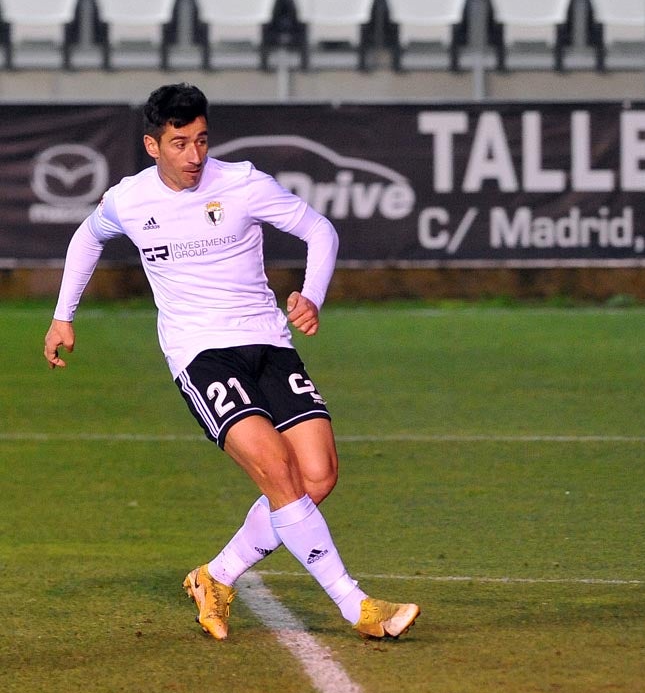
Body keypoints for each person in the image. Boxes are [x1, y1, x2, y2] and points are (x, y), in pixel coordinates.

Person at [43, 83, 418, 642]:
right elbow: (86, 238)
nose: (194, 156)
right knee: (278, 473)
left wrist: (311, 295)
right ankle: (357, 605)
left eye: (201, 141)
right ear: (152, 145)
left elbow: (320, 229)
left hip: (268, 343)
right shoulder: (129, 199)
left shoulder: (242, 184)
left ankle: (214, 577)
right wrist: (62, 316)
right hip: (200, 353)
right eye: (179, 144)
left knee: (317, 476)